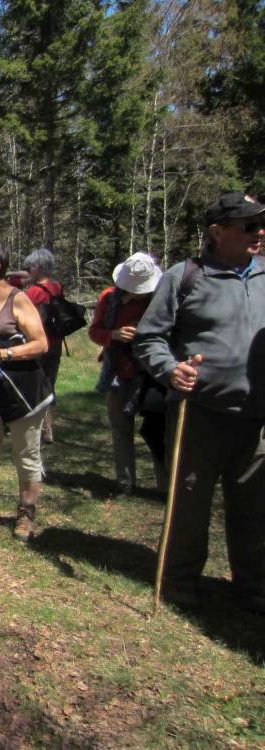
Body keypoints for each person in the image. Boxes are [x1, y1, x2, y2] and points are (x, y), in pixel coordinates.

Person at [134, 192, 265, 611]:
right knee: (189, 504)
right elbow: (149, 337)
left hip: (257, 418)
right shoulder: (185, 277)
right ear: (217, 232)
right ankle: (179, 583)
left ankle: (254, 587)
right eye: (248, 226)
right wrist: (170, 369)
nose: (259, 233)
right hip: (199, 415)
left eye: (261, 224)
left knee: (254, 508)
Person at [0, 241, 52, 541]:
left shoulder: (18, 299)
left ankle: (26, 511)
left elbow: (41, 344)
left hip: (22, 390)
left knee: (25, 452)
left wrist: (4, 354)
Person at [88, 253, 166, 495]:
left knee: (159, 430)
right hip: (118, 372)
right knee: (121, 430)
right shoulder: (108, 298)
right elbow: (95, 331)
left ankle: (166, 485)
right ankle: (125, 482)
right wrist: (113, 335)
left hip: (153, 375)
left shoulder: (161, 298)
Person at [23, 248, 63, 444]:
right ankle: (49, 428)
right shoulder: (57, 287)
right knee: (49, 383)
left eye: (30, 267)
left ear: (38, 267)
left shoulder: (34, 292)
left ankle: (38, 428)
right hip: (55, 342)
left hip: (37, 343)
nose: (28, 270)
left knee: (35, 385)